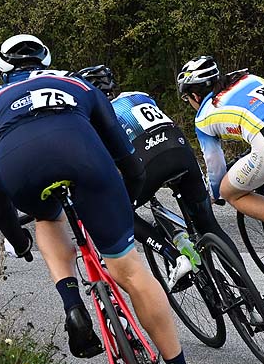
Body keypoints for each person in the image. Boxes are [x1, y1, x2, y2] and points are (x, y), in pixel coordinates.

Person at [0, 35, 203, 364]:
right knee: (130, 270)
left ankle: (72, 306)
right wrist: (124, 200)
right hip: (84, 160)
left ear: (1, 70)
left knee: (47, 217)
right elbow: (127, 159)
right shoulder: (77, 83)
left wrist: (18, 239)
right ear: (46, 61)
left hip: (21, 169)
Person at [77, 64, 240, 287]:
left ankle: (174, 257)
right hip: (181, 151)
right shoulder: (137, 95)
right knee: (209, 225)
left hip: (148, 162)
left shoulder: (94, 116)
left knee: (120, 212)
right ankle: (251, 294)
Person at [176, 55, 264, 253]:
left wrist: (214, 194)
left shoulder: (203, 116)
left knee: (230, 191)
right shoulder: (247, 77)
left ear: (195, 96)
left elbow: (215, 166)